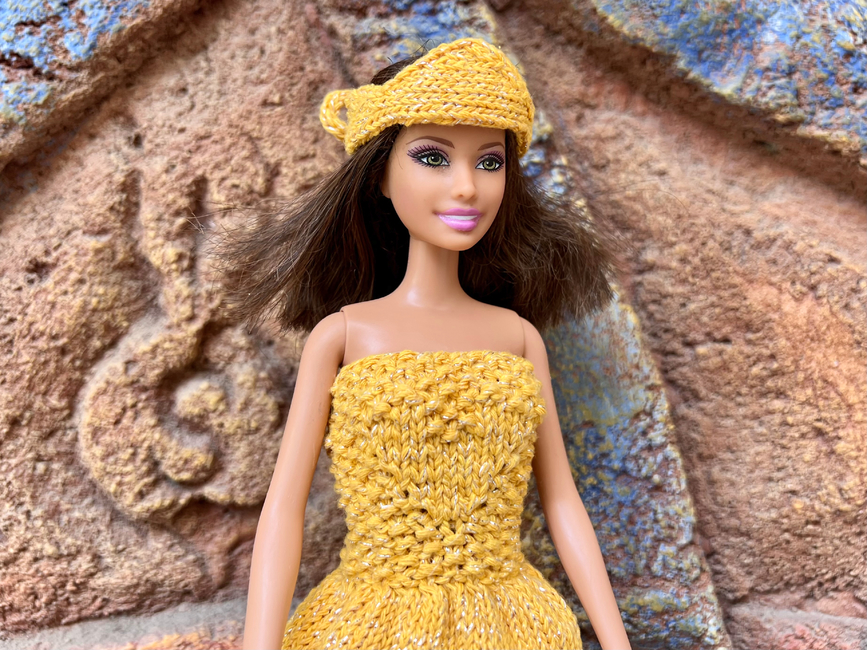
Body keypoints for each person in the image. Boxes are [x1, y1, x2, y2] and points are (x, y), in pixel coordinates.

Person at [222, 38, 631, 650]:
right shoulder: (343, 335)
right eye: (433, 157)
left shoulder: (518, 339)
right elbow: (283, 507)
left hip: (512, 626)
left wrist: (616, 640)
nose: (467, 187)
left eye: (489, 162)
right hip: (370, 625)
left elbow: (563, 502)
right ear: (381, 176)